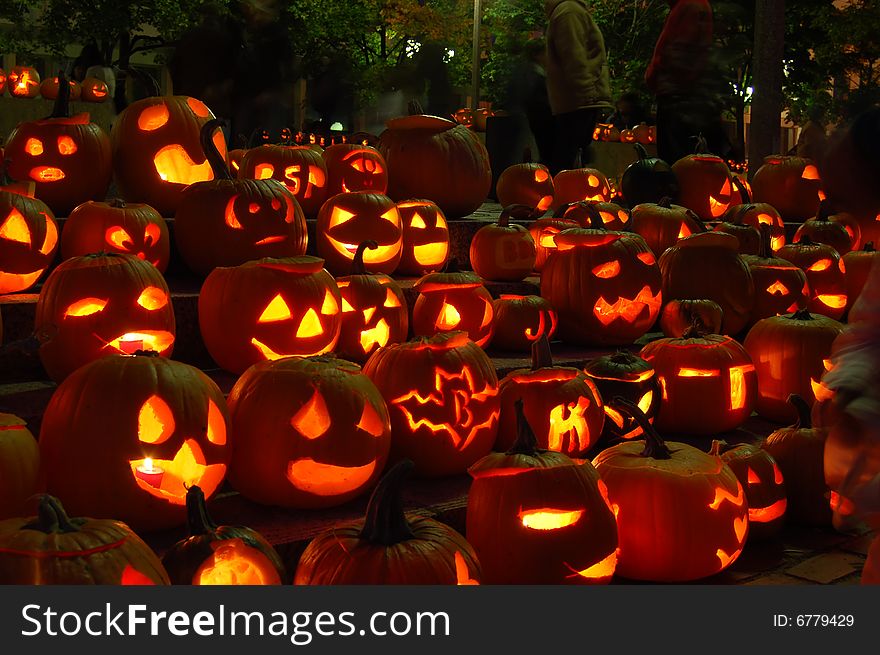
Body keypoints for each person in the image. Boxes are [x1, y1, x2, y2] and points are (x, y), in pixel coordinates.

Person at [646, 0, 726, 164]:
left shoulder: (689, 6)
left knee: (678, 162)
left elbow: (679, 51)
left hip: (678, 96)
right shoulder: (692, 6)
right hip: (683, 94)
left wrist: (655, 75)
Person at [544, 0, 613, 174]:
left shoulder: (570, 11)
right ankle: (565, 198)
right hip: (579, 101)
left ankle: (566, 196)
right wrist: (588, 94)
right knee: (569, 163)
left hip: (576, 100)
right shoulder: (570, 12)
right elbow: (574, 58)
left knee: (570, 160)